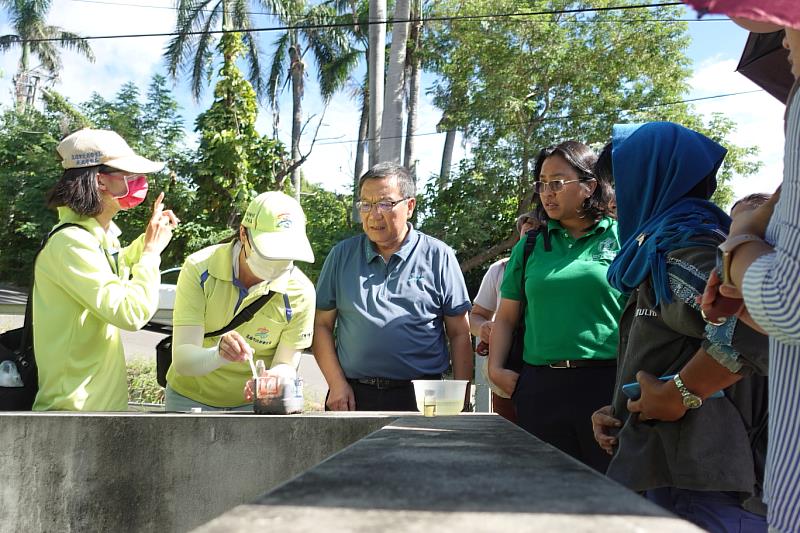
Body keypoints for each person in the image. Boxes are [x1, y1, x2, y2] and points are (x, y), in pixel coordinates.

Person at [591, 121, 769, 532]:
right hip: (675, 472)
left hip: (703, 484)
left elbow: (759, 329)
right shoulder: (658, 247)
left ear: (652, 177)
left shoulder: (681, 249)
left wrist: (679, 394)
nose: (609, 199)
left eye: (616, 183)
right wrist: (619, 409)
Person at [693, 8, 800, 532]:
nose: (783, 42)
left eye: (789, 25)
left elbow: (789, 305)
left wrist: (740, 239)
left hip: (713, 455)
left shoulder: (679, 242)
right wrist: (743, 295)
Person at [488, 140, 624, 472]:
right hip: (539, 389)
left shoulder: (623, 237)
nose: (547, 193)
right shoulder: (531, 245)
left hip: (607, 387)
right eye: (542, 184)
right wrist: (495, 369)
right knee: (543, 496)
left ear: (590, 185)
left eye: (557, 183)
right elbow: (506, 317)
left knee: (608, 497)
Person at [33, 128, 178, 411]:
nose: (140, 183)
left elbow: (115, 268)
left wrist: (148, 238)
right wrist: (150, 252)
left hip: (100, 411)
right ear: (100, 180)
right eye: (129, 175)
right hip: (73, 415)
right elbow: (130, 313)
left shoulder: (96, 236)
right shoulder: (71, 244)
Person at [313, 162, 473, 411]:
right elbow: (321, 326)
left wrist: (461, 398)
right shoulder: (341, 256)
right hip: (353, 395)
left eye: (385, 204)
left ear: (409, 206)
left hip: (424, 398)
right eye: (366, 204)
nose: (374, 214)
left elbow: (460, 332)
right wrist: (336, 384)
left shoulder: (438, 256)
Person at [165, 191, 316, 411]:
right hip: (189, 397)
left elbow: (286, 363)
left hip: (252, 404)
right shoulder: (200, 268)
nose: (276, 264)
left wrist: (272, 380)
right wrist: (219, 354)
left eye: (286, 255)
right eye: (270, 252)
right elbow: (183, 360)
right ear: (244, 234)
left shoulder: (300, 291)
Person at [470, 212, 538, 422]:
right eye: (527, 232)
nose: (531, 238)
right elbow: (475, 317)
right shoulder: (500, 269)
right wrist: (484, 328)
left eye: (538, 231)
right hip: (507, 374)